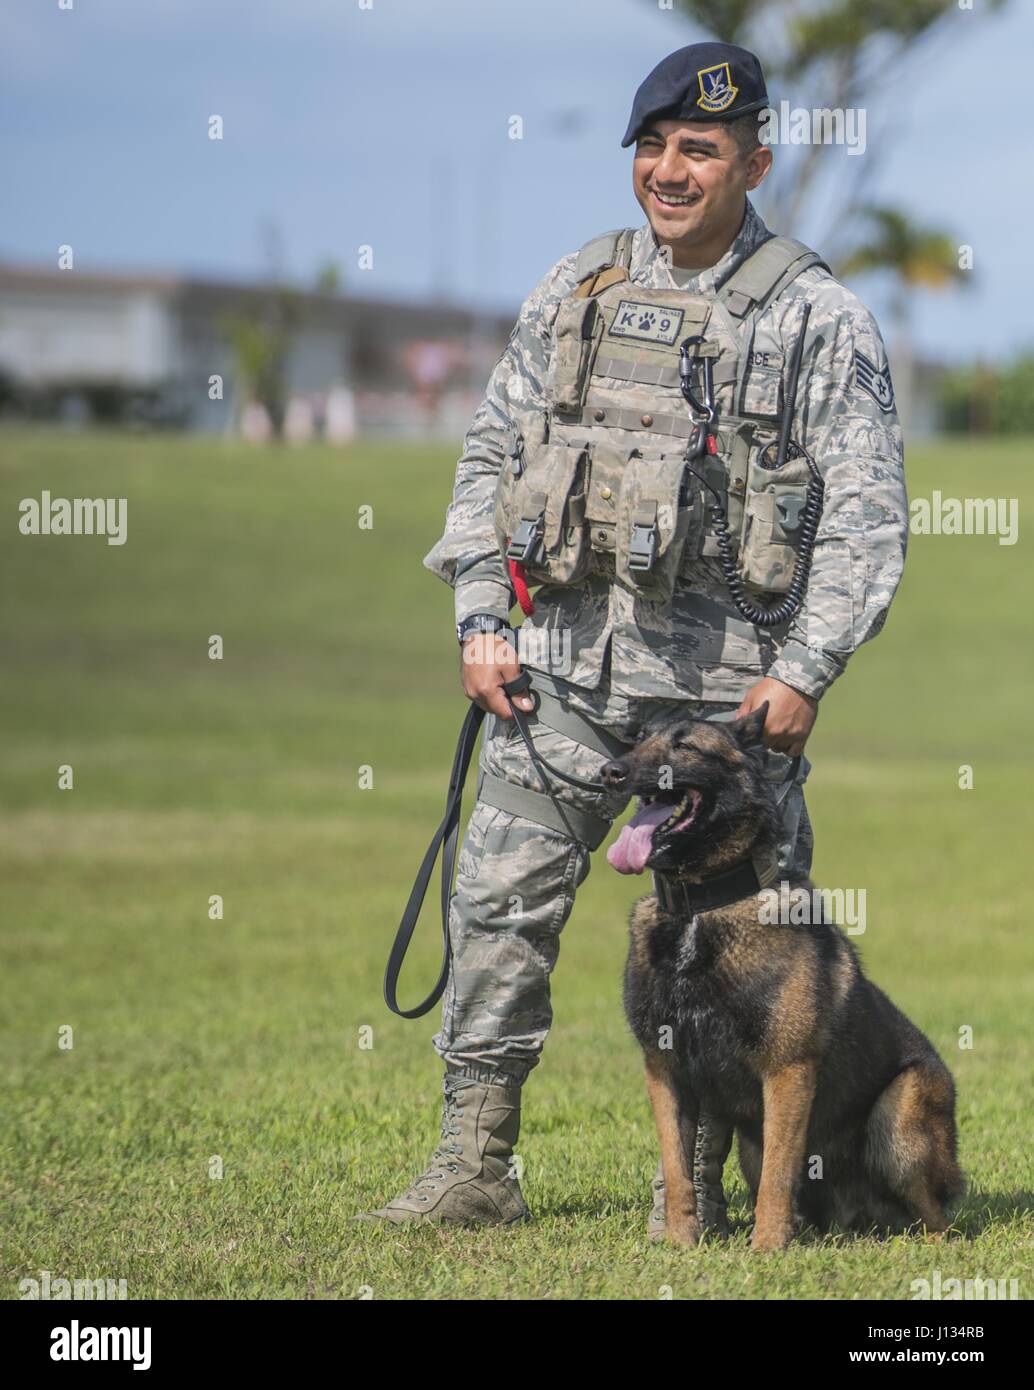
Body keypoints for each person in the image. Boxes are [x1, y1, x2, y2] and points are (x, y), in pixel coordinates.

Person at [359, 41, 907, 1235]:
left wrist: (804, 670)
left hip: (721, 720)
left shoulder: (816, 316)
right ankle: (473, 1163)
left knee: (750, 975)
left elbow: (866, 525)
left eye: (697, 150)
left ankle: (728, 1195)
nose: (667, 169)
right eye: (651, 147)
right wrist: (478, 616)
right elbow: (493, 454)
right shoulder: (578, 287)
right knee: (494, 910)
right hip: (558, 674)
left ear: (752, 160)